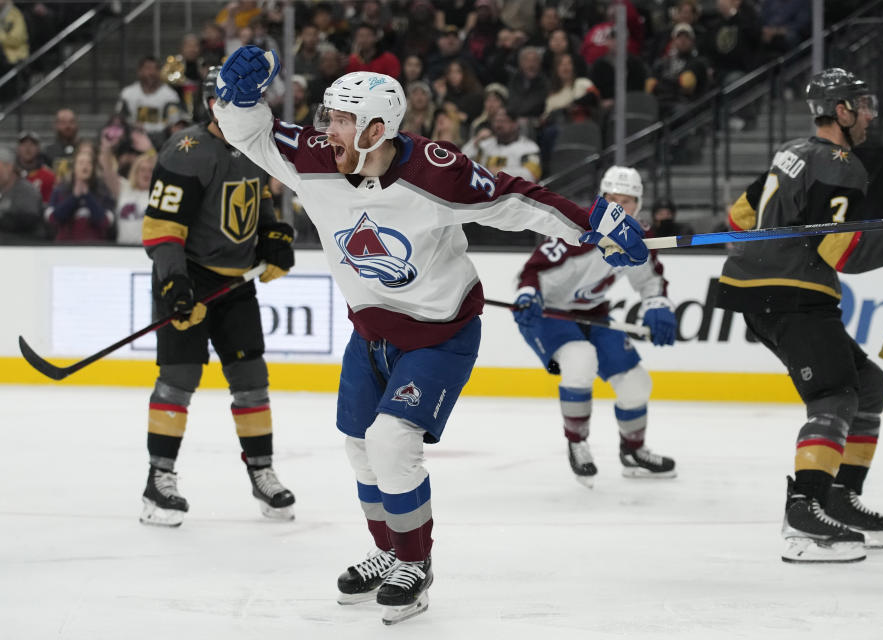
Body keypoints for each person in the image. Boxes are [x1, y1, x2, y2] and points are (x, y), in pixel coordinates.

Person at [213, 46, 652, 625]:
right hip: (369, 332)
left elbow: (515, 200)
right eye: (329, 118)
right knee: (360, 450)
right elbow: (254, 137)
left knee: (393, 443)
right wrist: (238, 100)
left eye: (343, 122)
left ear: (376, 129)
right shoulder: (315, 160)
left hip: (439, 334)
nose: (328, 131)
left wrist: (591, 225)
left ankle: (415, 566)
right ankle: (387, 551)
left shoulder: (435, 173)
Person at [717, 68, 883, 563]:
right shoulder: (842, 163)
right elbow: (841, 251)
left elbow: (739, 215)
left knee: (869, 386)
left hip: (761, 291)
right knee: (835, 394)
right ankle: (803, 513)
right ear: (840, 111)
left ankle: (837, 498)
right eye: (862, 105)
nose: (870, 114)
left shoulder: (791, 152)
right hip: (792, 294)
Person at [138, 66, 297, 528]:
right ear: (214, 104)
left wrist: (273, 236)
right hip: (189, 280)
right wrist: (174, 283)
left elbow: (257, 200)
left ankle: (262, 472)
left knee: (252, 380)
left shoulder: (252, 146)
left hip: (236, 284)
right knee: (177, 380)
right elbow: (162, 229)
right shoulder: (187, 151)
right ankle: (158, 479)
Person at [513, 166, 677, 487]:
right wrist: (527, 294)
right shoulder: (578, 231)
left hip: (593, 315)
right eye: (611, 199)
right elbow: (533, 270)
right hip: (548, 314)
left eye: (626, 202)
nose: (618, 208)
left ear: (638, 205)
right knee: (580, 359)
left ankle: (633, 451)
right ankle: (577, 443)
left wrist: (658, 304)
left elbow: (649, 280)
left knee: (636, 384)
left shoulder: (636, 240)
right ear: (600, 200)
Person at [0, 145, 45, 243]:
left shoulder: (26, 191)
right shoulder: (4, 191)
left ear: (9, 166)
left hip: (27, 247)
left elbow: (29, 219)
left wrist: (3, 219)